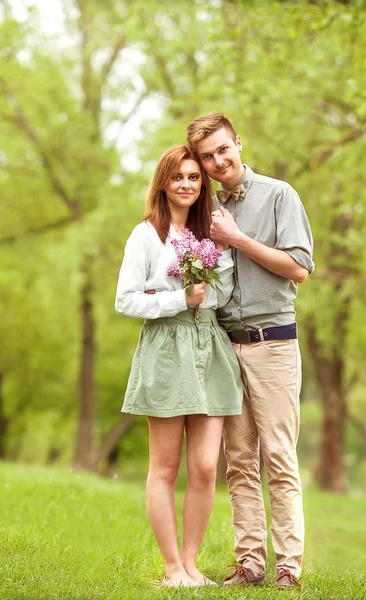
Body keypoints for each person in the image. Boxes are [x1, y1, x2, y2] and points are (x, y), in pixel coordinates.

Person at [186, 113, 315, 589]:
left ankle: (288, 568)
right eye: (207, 156)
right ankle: (250, 564)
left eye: (223, 149)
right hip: (226, 347)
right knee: (238, 462)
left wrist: (236, 239)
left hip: (273, 345)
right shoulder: (205, 208)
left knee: (279, 457)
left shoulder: (280, 195)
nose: (218, 161)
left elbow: (299, 268)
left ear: (238, 142)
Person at [114, 144, 243, 588]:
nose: (187, 184)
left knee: (206, 466)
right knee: (165, 468)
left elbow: (223, 294)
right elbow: (126, 299)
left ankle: (191, 565)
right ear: (163, 183)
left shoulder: (213, 233)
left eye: (194, 177)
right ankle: (172, 569)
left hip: (210, 344)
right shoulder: (146, 234)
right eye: (178, 177)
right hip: (166, 347)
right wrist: (176, 298)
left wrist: (208, 288)